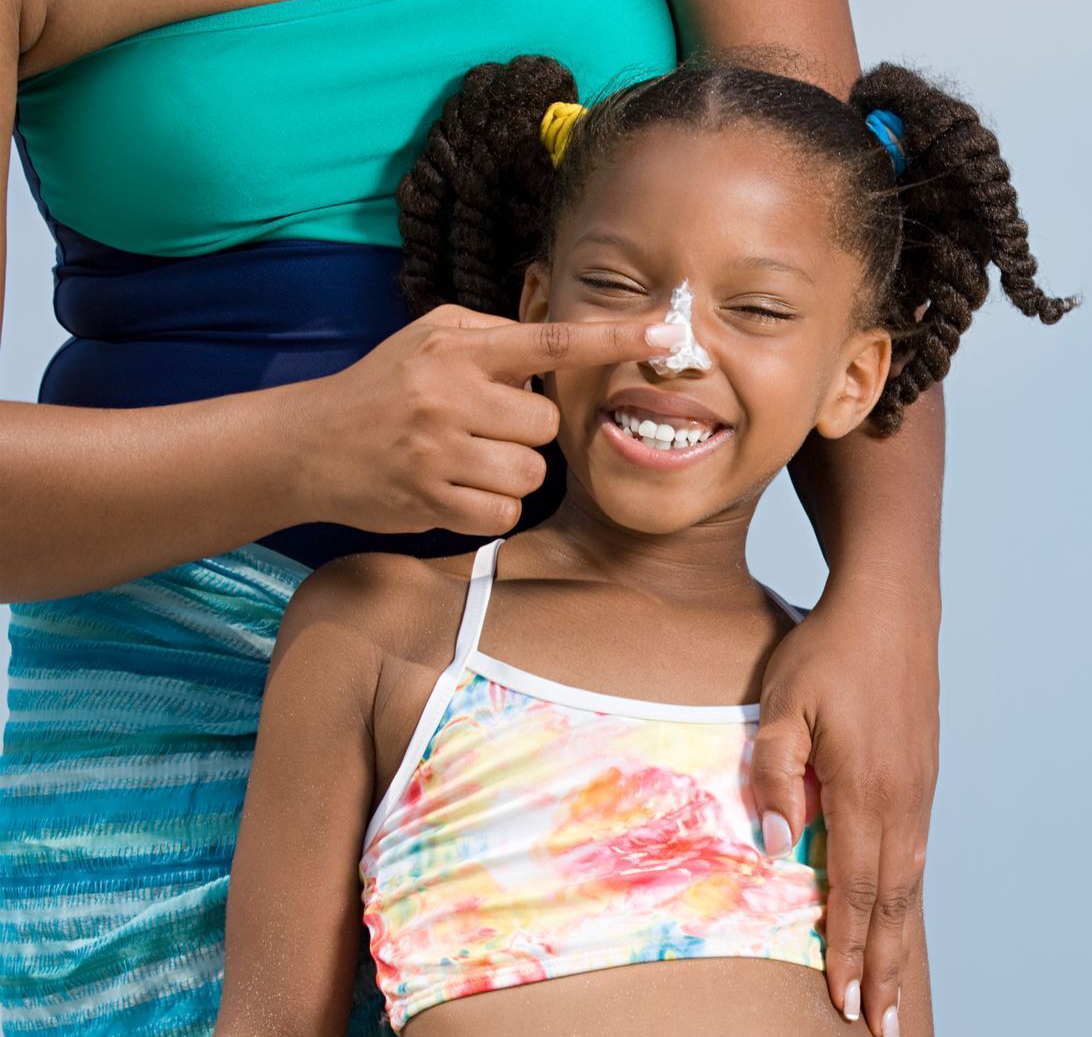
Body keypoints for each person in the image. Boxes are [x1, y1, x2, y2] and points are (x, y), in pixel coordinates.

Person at [2, 0, 954, 1034]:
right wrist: (306, 449)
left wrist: (889, 602)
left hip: (601, 699)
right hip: (157, 746)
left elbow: (837, 232)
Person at [211, 53, 1076, 1037]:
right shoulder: (383, 631)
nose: (671, 343)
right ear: (537, 307)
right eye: (619, 285)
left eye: (753, 309)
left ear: (855, 377)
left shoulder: (843, 699)